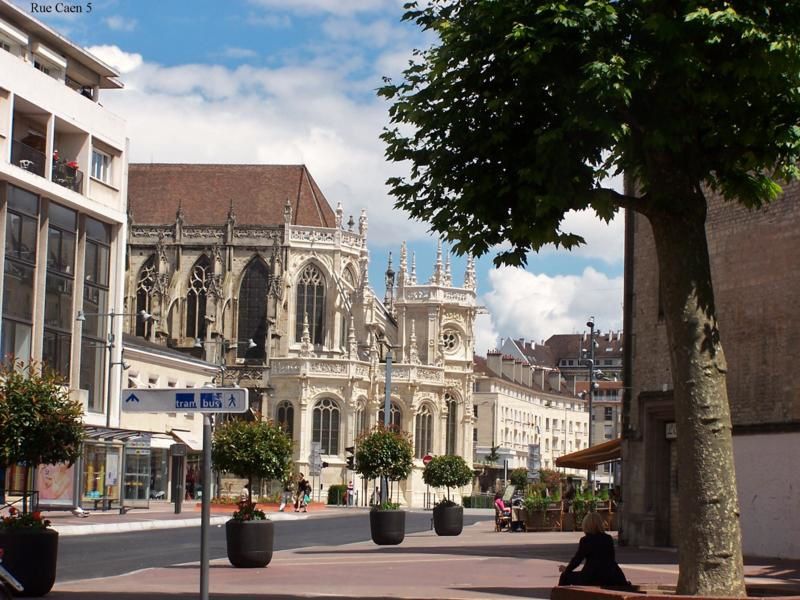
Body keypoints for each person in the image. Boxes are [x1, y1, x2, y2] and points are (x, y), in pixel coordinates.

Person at [558, 512, 629, 587]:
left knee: (564, 576)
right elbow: (611, 558)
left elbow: (577, 559)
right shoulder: (608, 538)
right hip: (611, 575)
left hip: (592, 576)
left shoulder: (586, 540)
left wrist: (567, 570)